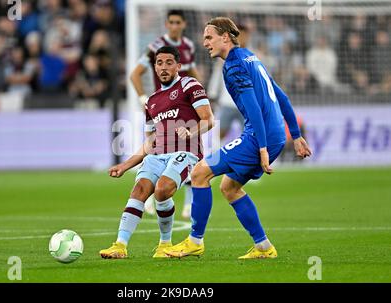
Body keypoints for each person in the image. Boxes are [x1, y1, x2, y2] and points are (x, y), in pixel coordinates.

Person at [164, 17, 312, 259]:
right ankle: (264, 247)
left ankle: (194, 241)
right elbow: (280, 94)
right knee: (230, 187)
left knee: (200, 173)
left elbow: (253, 108)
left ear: (225, 37)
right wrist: (295, 135)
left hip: (258, 136)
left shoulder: (233, 65)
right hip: (271, 135)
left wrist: (262, 148)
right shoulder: (250, 57)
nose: (205, 43)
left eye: (209, 37)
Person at [99, 46, 214, 259]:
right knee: (139, 189)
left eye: (169, 62)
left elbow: (209, 119)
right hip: (157, 154)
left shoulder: (190, 85)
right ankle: (120, 246)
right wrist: (125, 165)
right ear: (154, 67)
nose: (163, 67)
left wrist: (191, 131)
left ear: (178, 66)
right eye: (159, 63)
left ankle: (164, 243)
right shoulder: (151, 101)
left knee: (162, 190)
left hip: (186, 154)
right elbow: (151, 141)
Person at [130, 9, 201, 218]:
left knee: (190, 151)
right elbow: (135, 74)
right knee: (156, 151)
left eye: (178, 22)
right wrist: (144, 98)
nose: (174, 26)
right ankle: (150, 196)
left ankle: (189, 204)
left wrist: (201, 93)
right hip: (160, 108)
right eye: (171, 22)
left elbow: (193, 72)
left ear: (184, 24)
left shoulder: (188, 46)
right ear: (167, 24)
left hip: (187, 106)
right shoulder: (155, 48)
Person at [207, 23, 249, 143]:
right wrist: (212, 96)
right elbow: (216, 78)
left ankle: (250, 159)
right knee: (220, 134)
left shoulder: (252, 56)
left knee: (249, 134)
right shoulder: (224, 56)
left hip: (246, 104)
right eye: (239, 36)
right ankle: (217, 158)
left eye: (244, 36)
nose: (241, 39)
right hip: (227, 102)